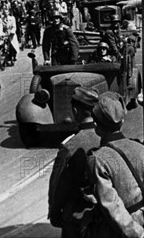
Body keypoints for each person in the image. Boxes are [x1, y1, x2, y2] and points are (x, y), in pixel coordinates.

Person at [87, 91, 144, 238]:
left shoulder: (98, 159)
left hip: (116, 231)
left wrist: (137, 234)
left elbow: (111, 205)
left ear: (96, 126)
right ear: (122, 122)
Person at [48, 87, 100, 237]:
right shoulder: (105, 137)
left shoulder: (70, 146)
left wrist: (54, 213)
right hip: (107, 212)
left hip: (77, 216)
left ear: (75, 111)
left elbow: (58, 185)